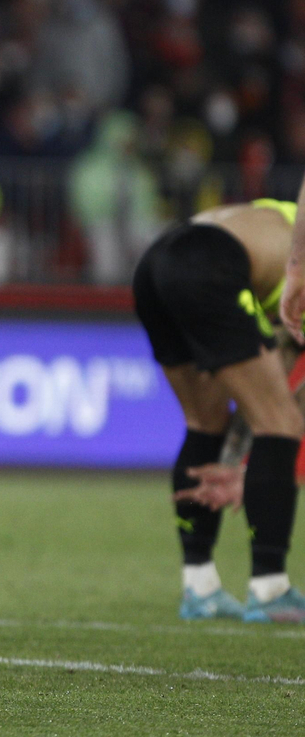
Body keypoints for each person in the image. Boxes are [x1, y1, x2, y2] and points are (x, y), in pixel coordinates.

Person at [132, 199, 305, 622]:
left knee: (205, 422)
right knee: (282, 424)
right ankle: (270, 588)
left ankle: (200, 586)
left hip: (157, 262)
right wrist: (258, 460)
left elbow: (267, 369)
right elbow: (283, 397)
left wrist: (236, 461)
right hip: (209, 263)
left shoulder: (276, 216)